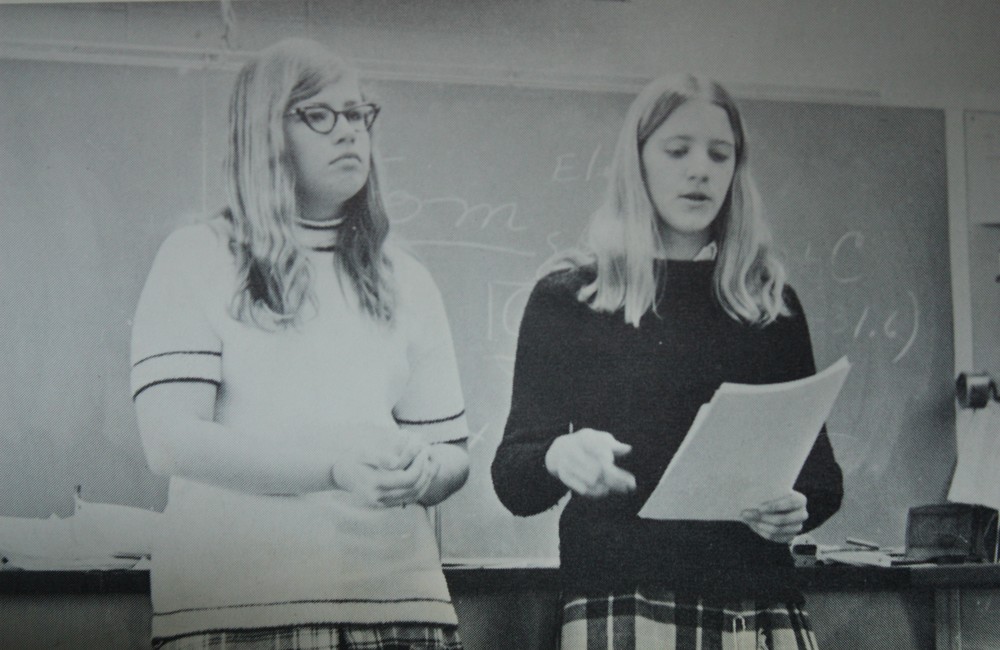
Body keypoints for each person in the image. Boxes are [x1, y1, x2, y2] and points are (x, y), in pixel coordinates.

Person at [131, 38, 469, 650]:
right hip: (239, 605)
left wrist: (424, 471)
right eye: (319, 114)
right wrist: (333, 469)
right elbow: (170, 439)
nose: (348, 132)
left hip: (401, 602)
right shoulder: (197, 256)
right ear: (265, 131)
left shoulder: (407, 277)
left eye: (358, 113)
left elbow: (451, 453)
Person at [491, 74, 843, 650]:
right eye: (678, 151)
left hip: (758, 599)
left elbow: (821, 476)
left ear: (736, 170)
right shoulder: (572, 297)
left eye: (719, 154)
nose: (700, 170)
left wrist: (795, 508)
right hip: (624, 601)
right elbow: (512, 477)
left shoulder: (768, 303)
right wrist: (559, 455)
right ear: (638, 163)